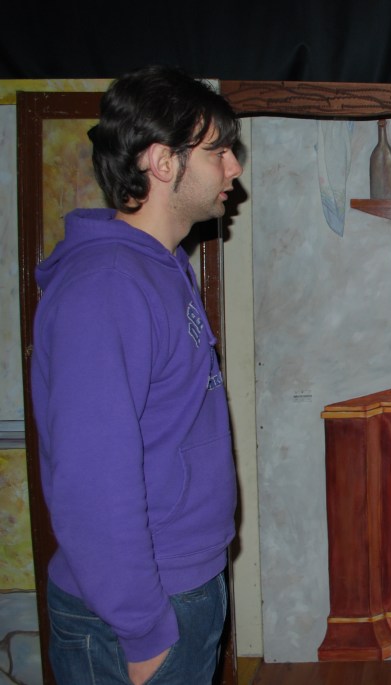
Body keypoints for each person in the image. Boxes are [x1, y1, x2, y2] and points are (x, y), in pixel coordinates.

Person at [31, 65, 243, 684]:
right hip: (139, 613)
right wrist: (144, 628)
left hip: (181, 586)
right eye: (218, 151)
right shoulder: (106, 287)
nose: (233, 168)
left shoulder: (160, 267)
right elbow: (92, 482)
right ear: (162, 162)